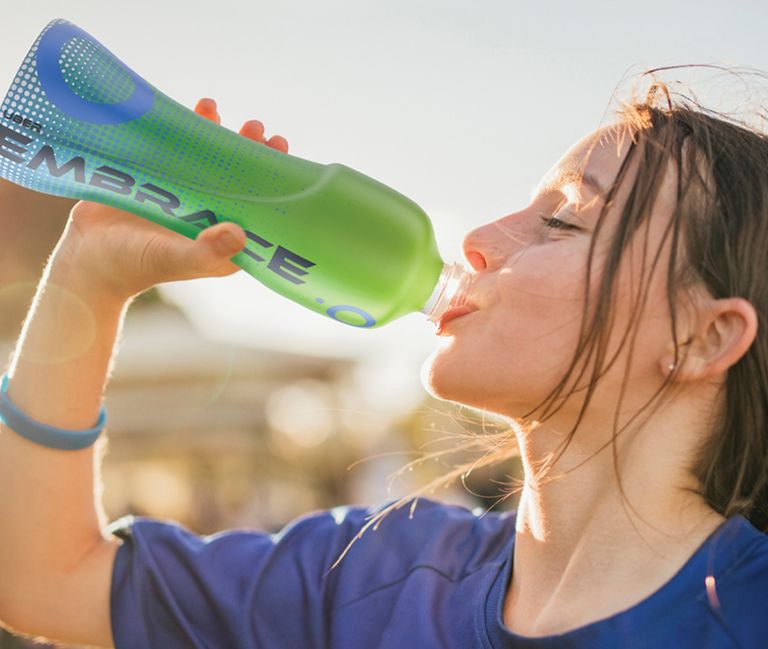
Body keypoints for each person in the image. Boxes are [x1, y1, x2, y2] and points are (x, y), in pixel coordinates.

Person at [0, 78, 766, 649]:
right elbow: (42, 578)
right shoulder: (373, 574)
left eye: (562, 220)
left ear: (702, 338)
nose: (482, 238)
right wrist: (88, 275)